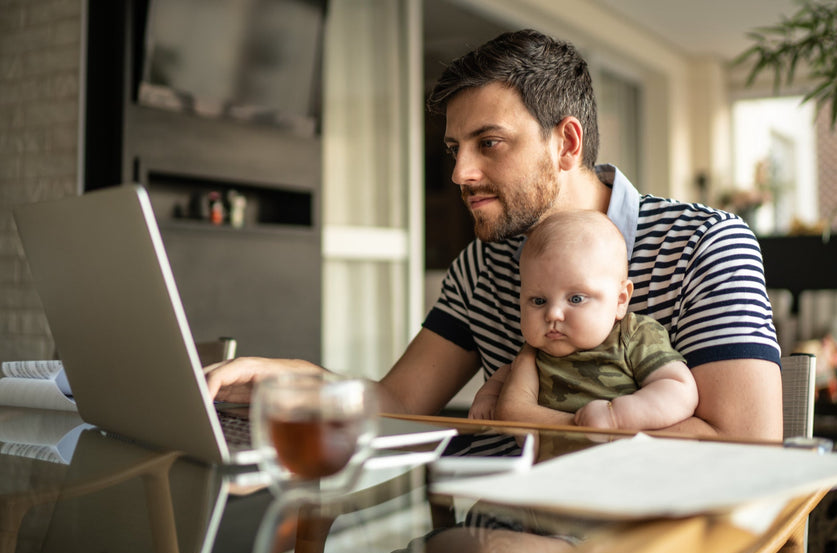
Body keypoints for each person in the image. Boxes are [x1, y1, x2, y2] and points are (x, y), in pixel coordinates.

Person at [206, 28, 783, 442]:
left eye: (490, 142)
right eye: (456, 149)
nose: (460, 173)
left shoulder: (704, 243)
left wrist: (551, 425)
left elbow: (750, 444)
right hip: (507, 528)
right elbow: (402, 403)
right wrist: (300, 380)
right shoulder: (480, 269)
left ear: (567, 144)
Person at [468, 209, 699, 430]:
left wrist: (617, 415)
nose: (553, 314)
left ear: (620, 300)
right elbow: (504, 376)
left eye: (576, 298)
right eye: (538, 301)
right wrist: (488, 397)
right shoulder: (537, 352)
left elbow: (679, 388)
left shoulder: (633, 336)